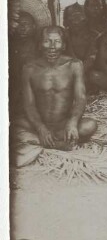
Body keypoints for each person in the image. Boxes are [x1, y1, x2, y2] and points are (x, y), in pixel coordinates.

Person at [14, 26, 98, 156]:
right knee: (13, 124)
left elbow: (80, 99)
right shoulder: (29, 68)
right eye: (47, 41)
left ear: (64, 46)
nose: (52, 46)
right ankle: (58, 144)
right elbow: (29, 105)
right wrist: (40, 127)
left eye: (57, 41)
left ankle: (40, 142)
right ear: (40, 45)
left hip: (62, 126)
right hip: (37, 125)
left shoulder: (74, 65)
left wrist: (72, 122)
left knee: (90, 125)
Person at [9, 10, 39, 117]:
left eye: (26, 24)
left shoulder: (39, 47)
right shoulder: (9, 45)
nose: (22, 27)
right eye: (19, 23)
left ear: (34, 26)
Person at [63, 3, 98, 81]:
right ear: (67, 20)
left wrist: (78, 74)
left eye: (79, 16)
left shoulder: (94, 35)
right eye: (72, 16)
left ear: (86, 18)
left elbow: (91, 59)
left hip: (87, 73)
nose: (76, 21)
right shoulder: (63, 36)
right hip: (68, 72)